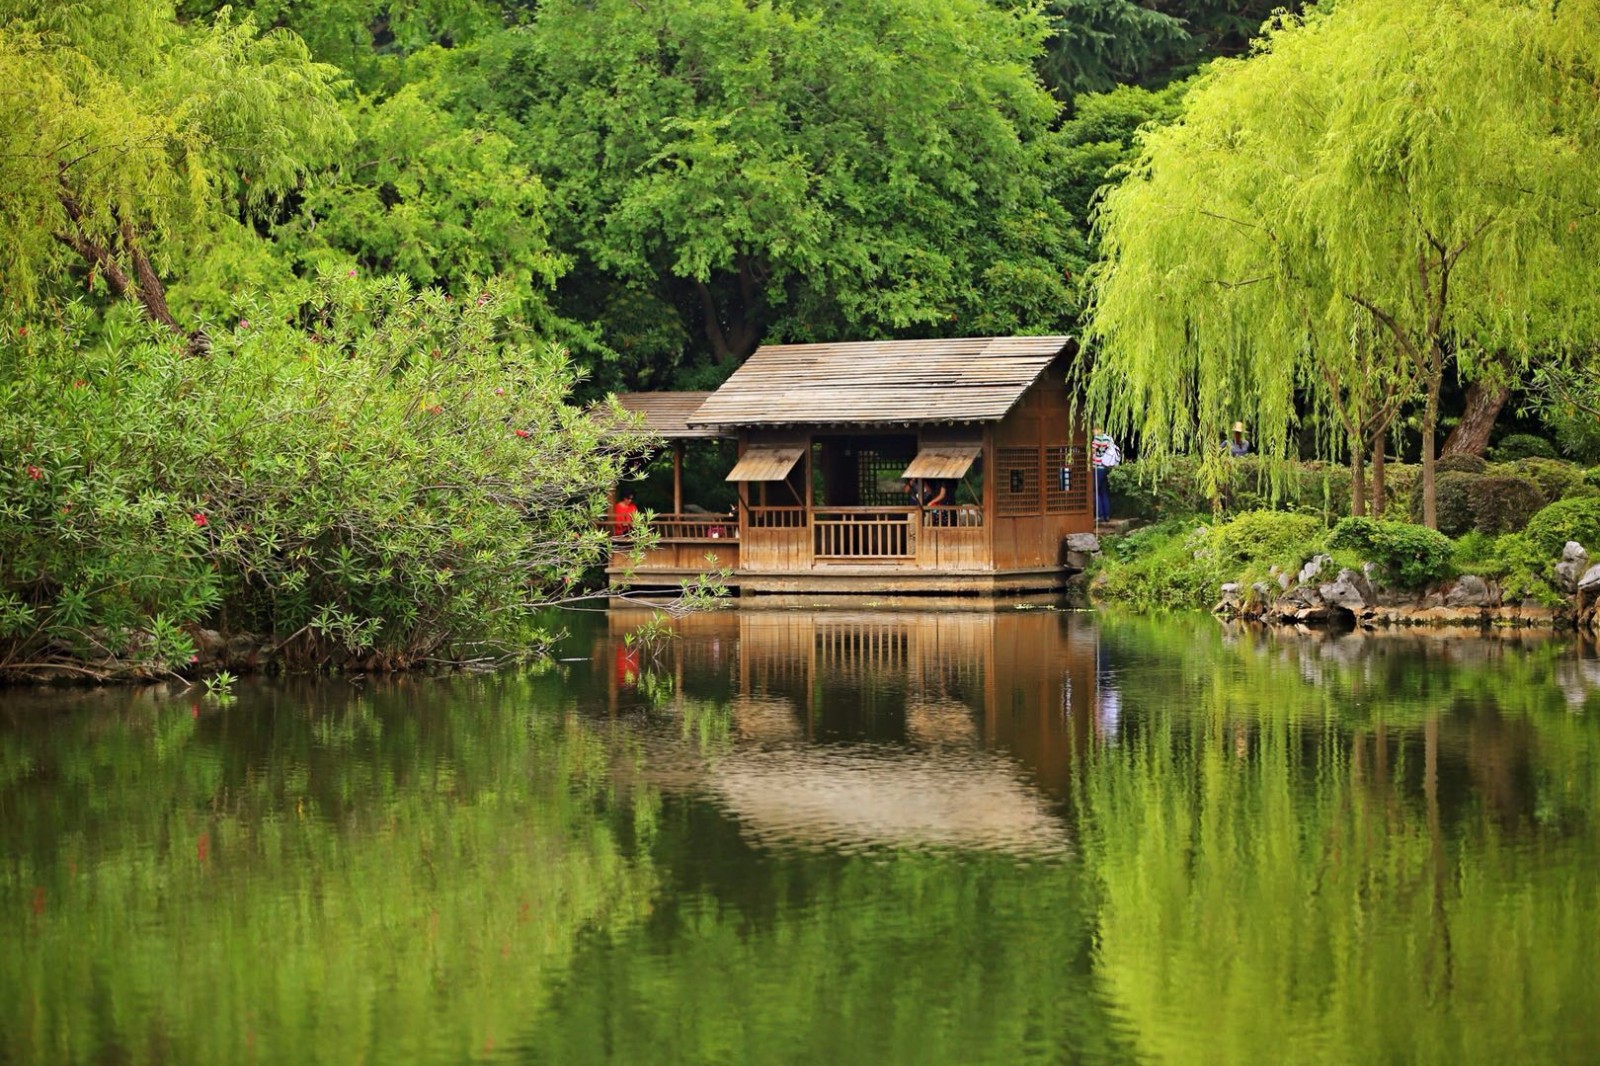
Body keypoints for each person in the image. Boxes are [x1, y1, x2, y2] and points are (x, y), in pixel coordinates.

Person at [1091, 428, 1118, 522]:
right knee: (1104, 491)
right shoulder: (1109, 438)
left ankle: (1100, 515)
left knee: (1096, 491)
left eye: (1093, 429)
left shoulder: (1098, 438)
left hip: (1097, 467)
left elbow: (1093, 452)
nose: (1092, 431)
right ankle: (1107, 515)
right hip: (1106, 467)